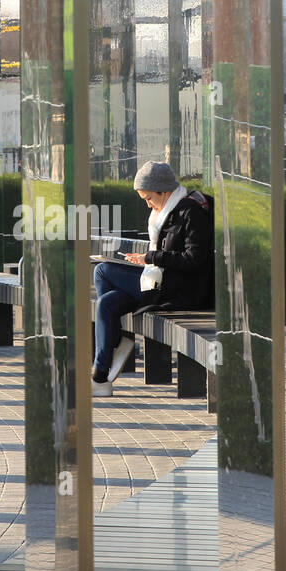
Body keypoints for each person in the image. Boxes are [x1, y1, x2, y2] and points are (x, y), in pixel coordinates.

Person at [92, 160, 214, 397]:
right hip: (161, 281)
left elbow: (194, 258)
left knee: (102, 271)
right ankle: (101, 373)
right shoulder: (166, 212)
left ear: (164, 191)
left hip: (179, 290)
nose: (148, 204)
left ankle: (111, 351)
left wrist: (150, 257)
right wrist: (147, 259)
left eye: (148, 198)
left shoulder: (189, 212)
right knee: (106, 303)